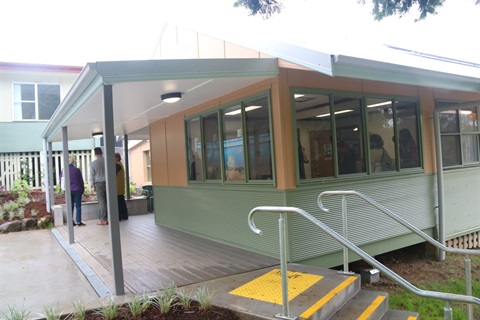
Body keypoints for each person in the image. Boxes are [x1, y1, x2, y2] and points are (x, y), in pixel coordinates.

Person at [61, 156, 85, 226]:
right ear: (73, 162)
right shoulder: (77, 170)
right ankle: (78, 221)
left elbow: (61, 180)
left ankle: (70, 221)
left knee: (70, 206)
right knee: (78, 206)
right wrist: (82, 189)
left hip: (68, 190)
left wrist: (63, 189)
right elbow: (81, 181)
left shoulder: (64, 170)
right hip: (77, 190)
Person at [90, 147, 108, 225]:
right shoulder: (106, 161)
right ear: (102, 152)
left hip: (98, 183)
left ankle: (103, 219)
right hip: (108, 183)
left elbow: (92, 175)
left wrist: (92, 185)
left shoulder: (93, 163)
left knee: (101, 202)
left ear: (95, 154)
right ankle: (110, 217)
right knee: (108, 201)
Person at [115, 153, 129, 221]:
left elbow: (113, 173)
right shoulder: (120, 164)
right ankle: (124, 216)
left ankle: (119, 216)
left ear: (117, 158)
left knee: (119, 203)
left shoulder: (117, 165)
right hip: (120, 187)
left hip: (118, 188)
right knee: (122, 203)